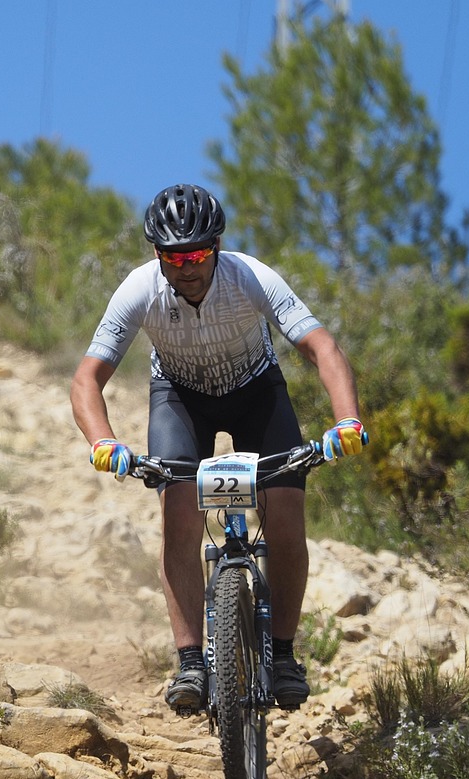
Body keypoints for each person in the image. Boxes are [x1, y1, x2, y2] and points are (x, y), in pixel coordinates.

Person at [69, 183, 367, 714]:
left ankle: (281, 655)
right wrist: (103, 441)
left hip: (257, 392)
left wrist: (347, 419)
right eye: (173, 256)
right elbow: (87, 380)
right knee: (178, 511)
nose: (186, 266)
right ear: (156, 255)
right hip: (180, 398)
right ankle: (189, 661)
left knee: (286, 515)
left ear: (217, 246)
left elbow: (322, 347)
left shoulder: (251, 277)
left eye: (198, 253)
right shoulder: (138, 290)